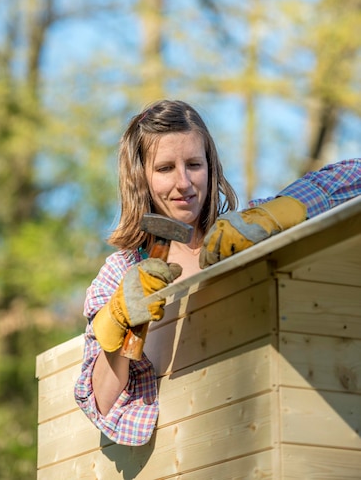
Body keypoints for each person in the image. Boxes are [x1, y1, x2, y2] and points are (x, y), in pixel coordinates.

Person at [74, 99, 361, 446]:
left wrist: (284, 211)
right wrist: (118, 317)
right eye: (165, 168)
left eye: (194, 164)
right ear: (140, 179)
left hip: (276, 427)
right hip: (194, 449)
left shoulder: (246, 231)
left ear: (210, 168)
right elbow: (103, 404)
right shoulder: (121, 271)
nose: (184, 183)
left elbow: (353, 175)